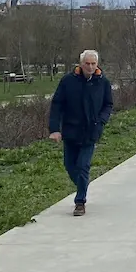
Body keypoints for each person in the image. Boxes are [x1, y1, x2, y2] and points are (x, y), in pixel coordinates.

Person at [48, 49, 114, 216]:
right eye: (87, 63)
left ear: (97, 64)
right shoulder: (68, 81)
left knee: (83, 166)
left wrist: (101, 121)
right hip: (70, 131)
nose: (90, 67)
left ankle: (80, 202)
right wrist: (54, 129)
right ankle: (82, 185)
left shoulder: (103, 82)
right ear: (81, 64)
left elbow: (108, 104)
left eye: (93, 64)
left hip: (90, 132)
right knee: (70, 166)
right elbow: (57, 105)